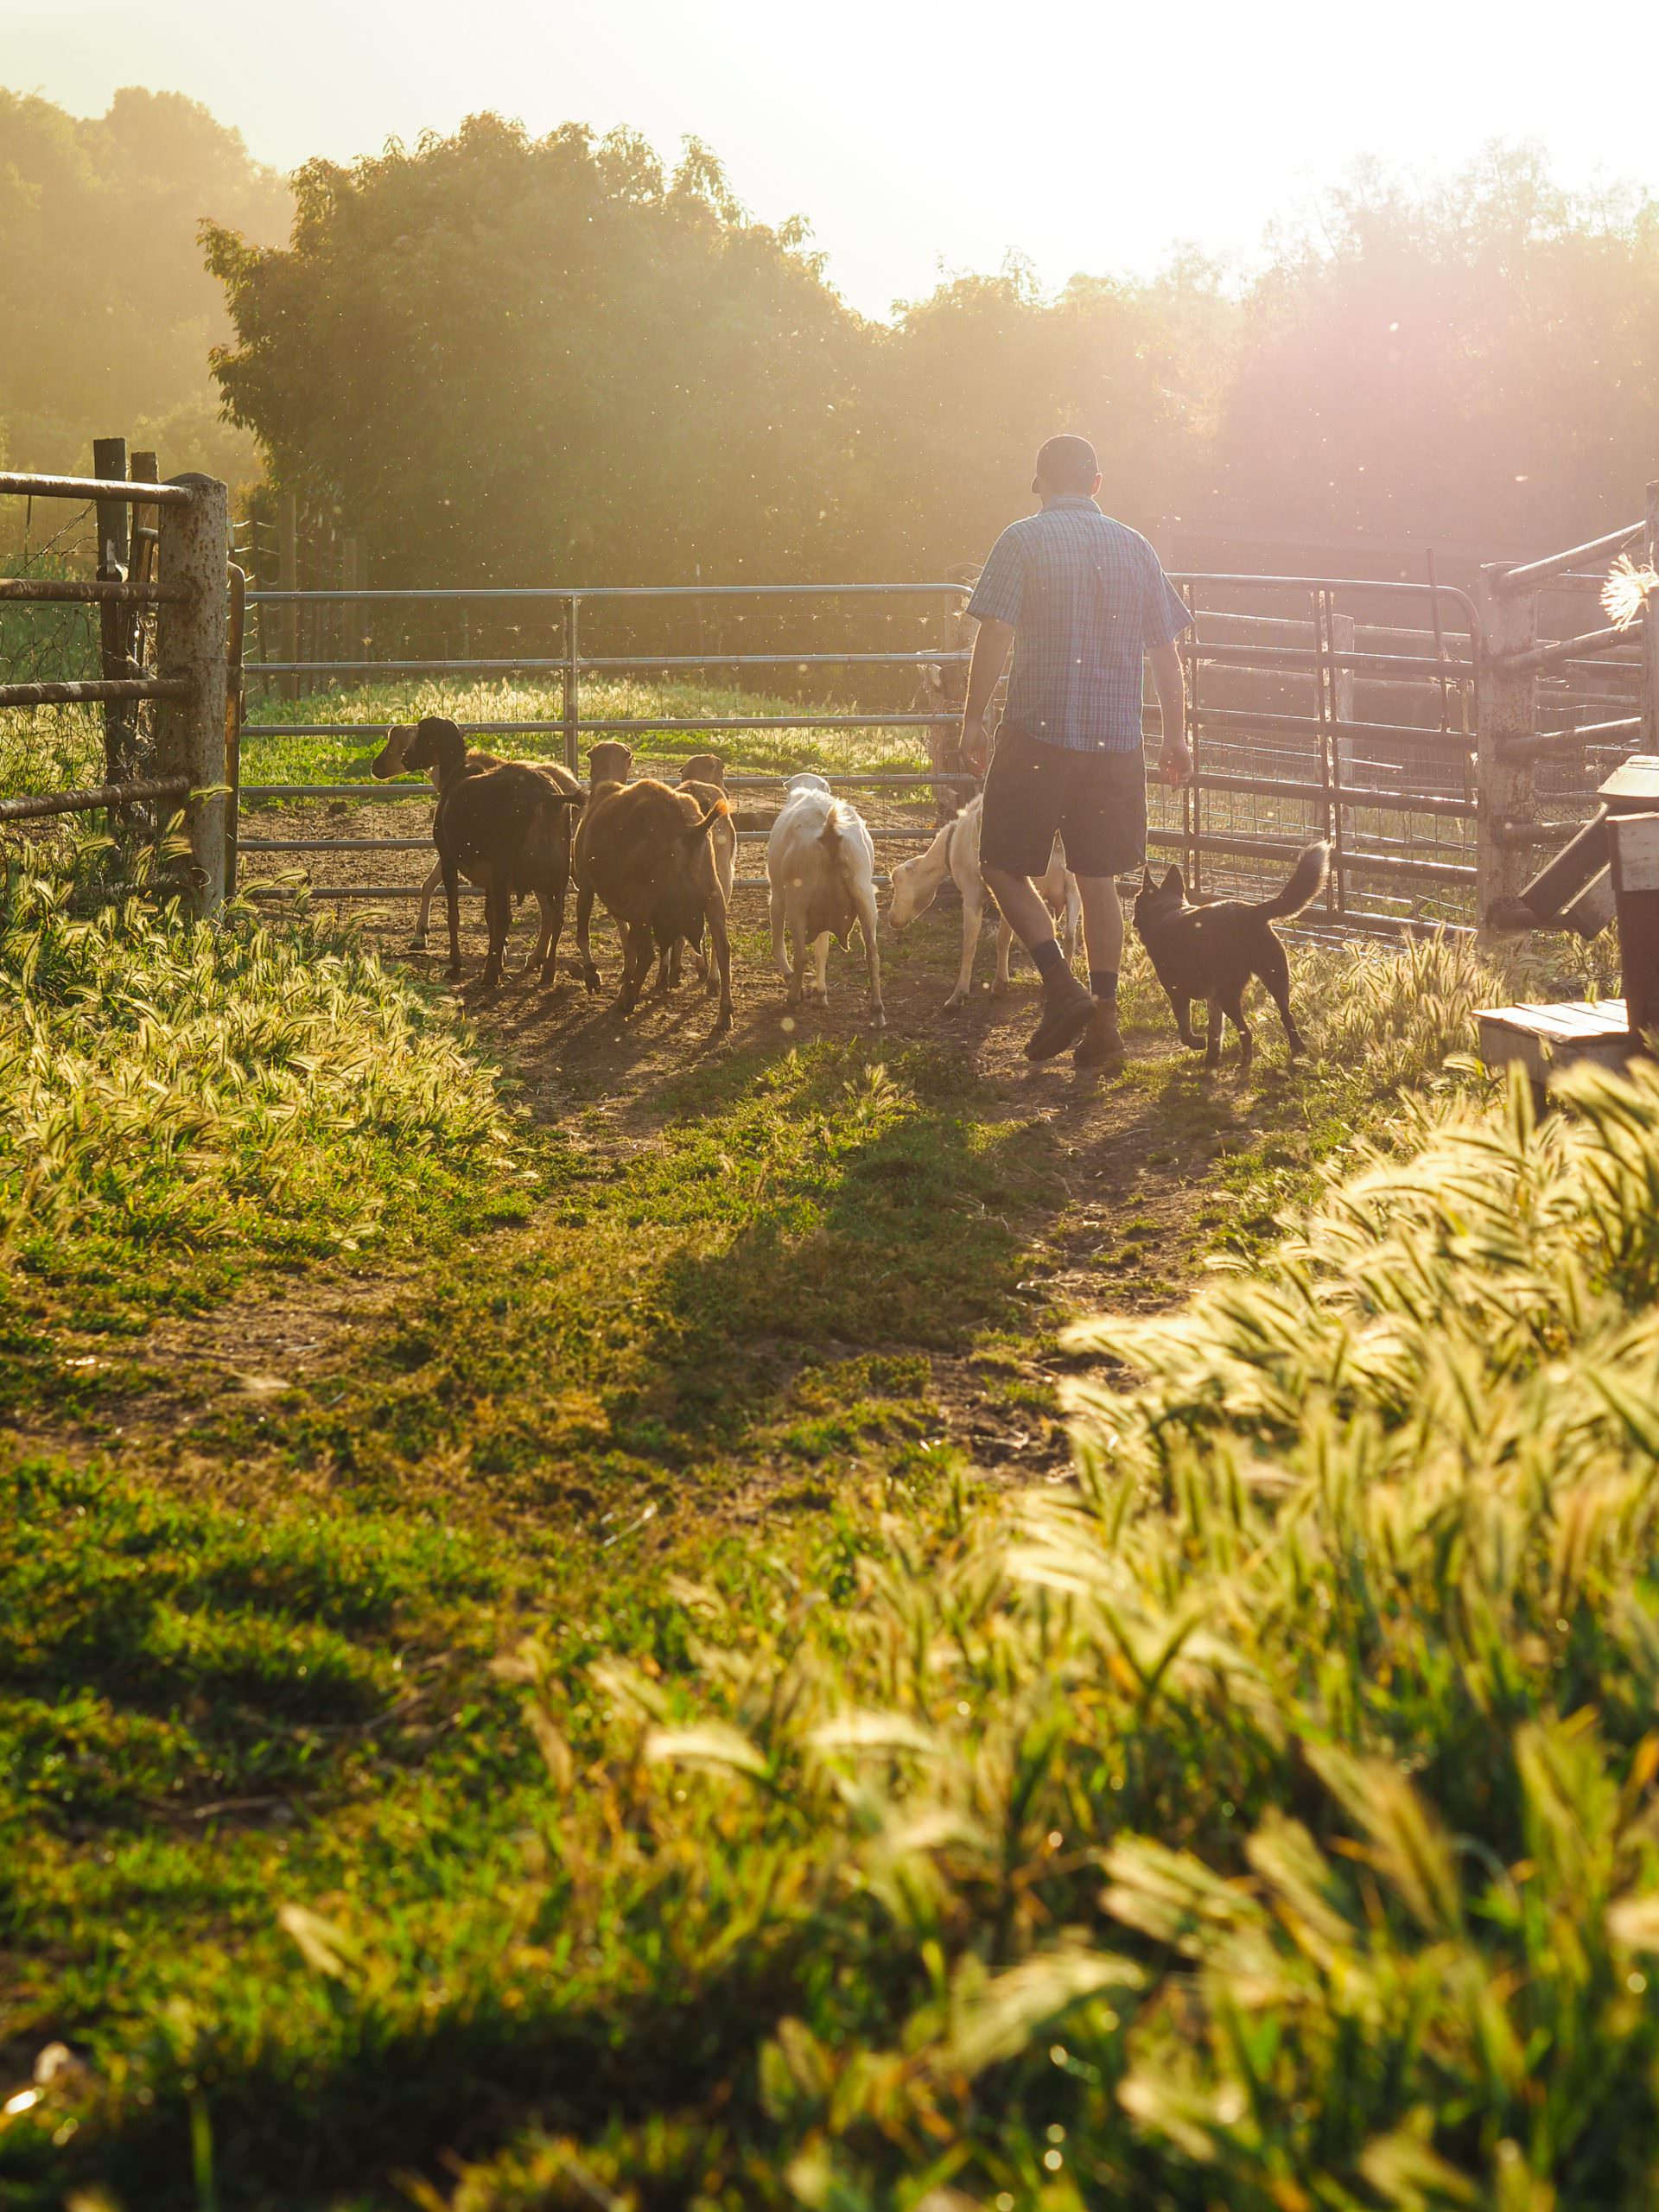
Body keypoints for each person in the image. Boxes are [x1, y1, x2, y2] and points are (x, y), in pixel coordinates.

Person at [959, 434, 1192, 1071]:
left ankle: (1062, 989)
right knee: (1100, 882)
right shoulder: (1136, 547)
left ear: (1040, 484)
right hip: (1116, 743)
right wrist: (1177, 734)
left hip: (1038, 731)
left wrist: (973, 717)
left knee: (1002, 864)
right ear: (1096, 484)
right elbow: (1166, 655)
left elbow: (998, 631)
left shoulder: (1021, 540)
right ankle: (1106, 1024)